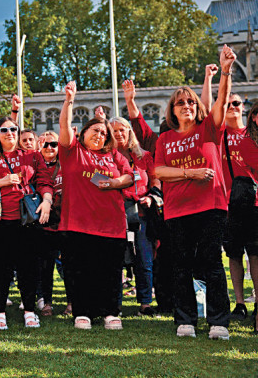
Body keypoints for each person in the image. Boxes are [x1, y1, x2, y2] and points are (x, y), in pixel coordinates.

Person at [154, 46, 235, 340]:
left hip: (211, 206)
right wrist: (191, 173)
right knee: (181, 265)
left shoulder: (209, 129)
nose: (186, 105)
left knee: (212, 262)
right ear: (172, 111)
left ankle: (218, 322)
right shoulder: (165, 138)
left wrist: (224, 71)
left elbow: (223, 101)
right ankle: (185, 319)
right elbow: (158, 171)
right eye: (179, 103)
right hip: (177, 210)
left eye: (190, 101)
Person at [58, 81, 134, 331]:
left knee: (109, 272)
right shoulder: (72, 151)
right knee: (80, 271)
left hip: (111, 225)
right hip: (77, 224)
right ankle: (82, 312)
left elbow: (129, 176)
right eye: (95, 131)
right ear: (84, 132)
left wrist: (114, 183)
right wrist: (70, 100)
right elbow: (64, 125)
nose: (99, 135)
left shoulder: (114, 156)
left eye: (103, 133)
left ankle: (111, 312)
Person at [0, 117, 53, 330]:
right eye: (4, 130)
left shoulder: (32, 156)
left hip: (27, 222)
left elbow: (45, 182)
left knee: (29, 268)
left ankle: (29, 311)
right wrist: (3, 181)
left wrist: (46, 201)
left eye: (13, 129)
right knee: (0, 270)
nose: (9, 133)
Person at [110, 117, 161, 316]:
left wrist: (150, 197)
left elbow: (156, 181)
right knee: (116, 260)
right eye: (114, 131)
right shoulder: (105, 156)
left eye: (122, 130)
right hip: (115, 214)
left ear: (129, 131)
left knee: (144, 259)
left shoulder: (145, 156)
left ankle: (145, 303)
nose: (119, 134)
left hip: (141, 213)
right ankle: (115, 304)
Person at [220, 93, 257, 322]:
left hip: (253, 202)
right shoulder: (218, 136)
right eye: (229, 103)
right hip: (228, 203)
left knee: (255, 253)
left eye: (237, 103)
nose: (233, 107)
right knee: (233, 254)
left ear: (245, 108)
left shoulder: (252, 134)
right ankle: (240, 303)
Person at [36, 131, 70, 317]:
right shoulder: (36, 166)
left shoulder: (66, 164)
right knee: (45, 266)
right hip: (45, 224)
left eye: (54, 144)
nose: (50, 147)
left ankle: (72, 302)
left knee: (69, 265)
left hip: (66, 222)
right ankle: (46, 302)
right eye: (46, 144)